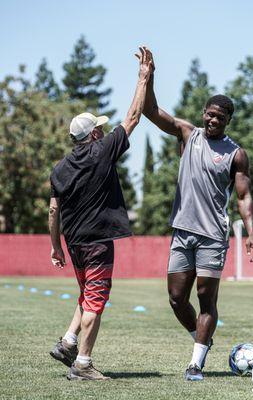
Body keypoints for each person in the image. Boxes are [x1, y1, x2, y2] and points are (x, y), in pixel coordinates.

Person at [140, 48, 253, 381]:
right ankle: (202, 340)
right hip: (182, 231)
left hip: (212, 235)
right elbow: (150, 110)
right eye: (209, 114)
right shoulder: (187, 134)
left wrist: (250, 234)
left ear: (227, 121)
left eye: (219, 118)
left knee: (206, 299)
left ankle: (196, 362)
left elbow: (244, 195)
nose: (212, 120)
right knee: (177, 298)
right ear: (203, 113)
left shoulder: (236, 154)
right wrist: (148, 77)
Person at [48, 47, 153, 381]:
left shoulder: (59, 168)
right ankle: (82, 364)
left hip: (75, 243)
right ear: (94, 134)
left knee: (85, 295)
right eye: (99, 129)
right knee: (95, 303)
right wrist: (143, 78)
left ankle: (67, 342)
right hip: (97, 244)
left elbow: (53, 211)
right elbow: (133, 117)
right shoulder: (103, 150)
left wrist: (55, 247)